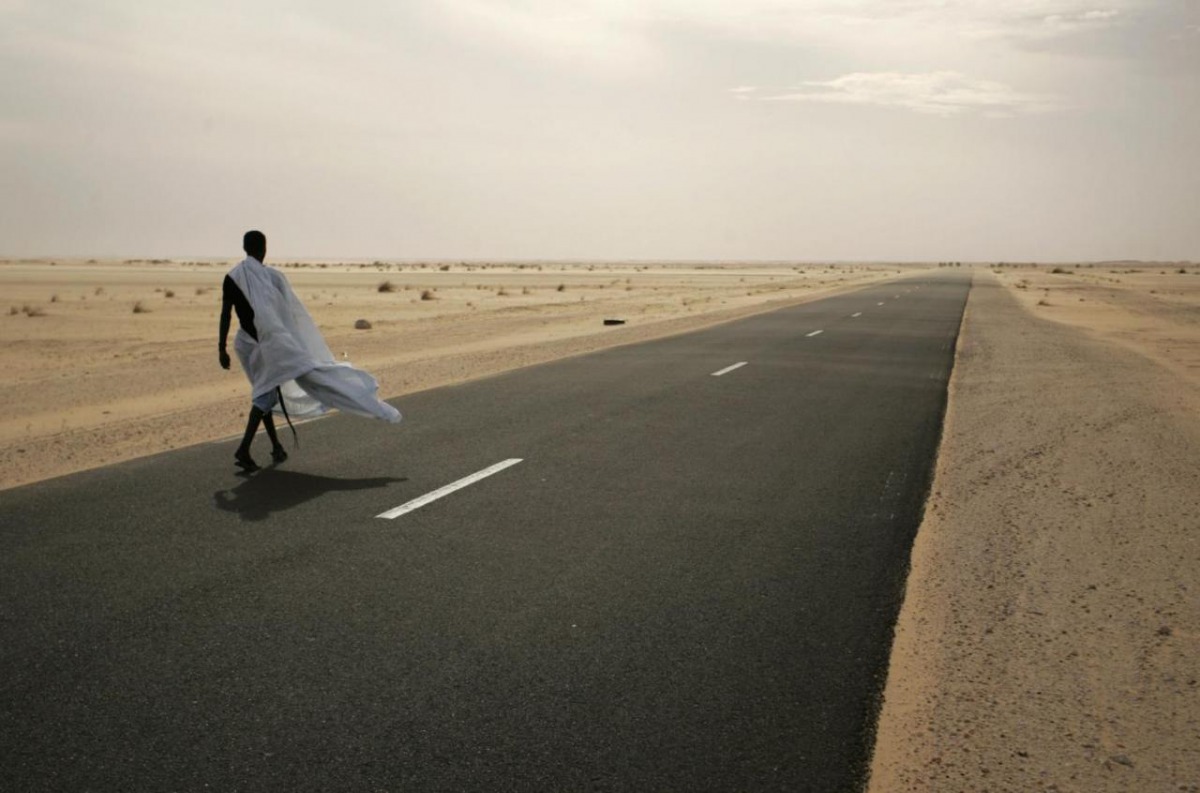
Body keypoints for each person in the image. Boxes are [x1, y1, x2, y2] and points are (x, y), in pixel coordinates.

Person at [219, 230, 401, 472]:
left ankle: (275, 446)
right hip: (267, 343)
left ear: (245, 248)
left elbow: (225, 314)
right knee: (267, 393)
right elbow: (286, 314)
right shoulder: (269, 278)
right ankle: (243, 449)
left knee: (264, 390)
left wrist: (221, 347)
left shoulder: (232, 277)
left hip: (245, 343)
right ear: (263, 249)